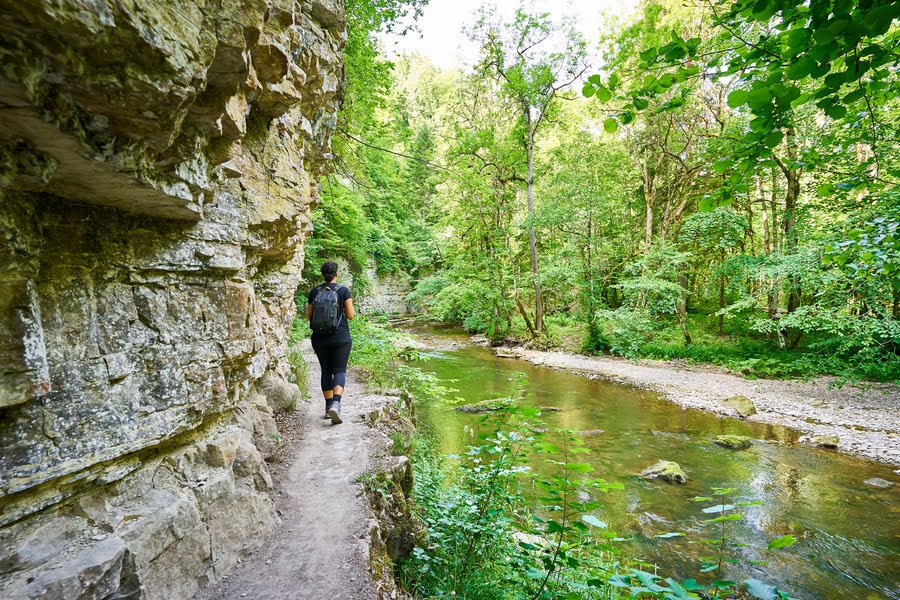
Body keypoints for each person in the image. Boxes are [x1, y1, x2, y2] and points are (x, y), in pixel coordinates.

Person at [307, 261, 354, 424]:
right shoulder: (343, 290)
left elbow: (309, 317)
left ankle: (328, 409)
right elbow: (351, 315)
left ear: (322, 275)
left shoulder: (314, 292)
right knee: (339, 370)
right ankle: (336, 403)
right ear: (336, 274)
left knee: (326, 370)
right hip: (340, 337)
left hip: (319, 339)